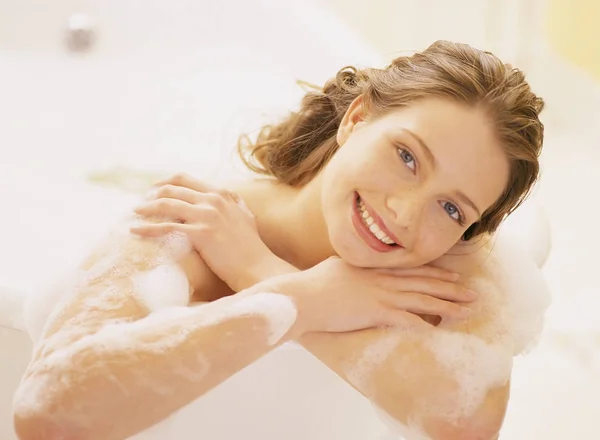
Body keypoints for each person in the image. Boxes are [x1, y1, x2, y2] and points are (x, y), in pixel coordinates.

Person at [13, 40, 545, 440]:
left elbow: (469, 423)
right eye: (406, 157)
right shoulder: (192, 223)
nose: (406, 214)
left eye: (452, 208)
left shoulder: (452, 265)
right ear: (357, 119)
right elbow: (47, 408)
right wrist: (304, 301)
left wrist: (265, 276)